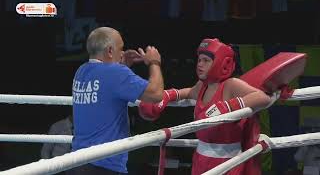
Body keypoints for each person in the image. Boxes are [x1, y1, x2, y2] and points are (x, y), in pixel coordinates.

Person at [138, 38, 273, 175]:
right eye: (199, 60)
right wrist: (168, 95)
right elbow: (189, 92)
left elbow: (263, 97)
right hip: (200, 158)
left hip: (228, 161)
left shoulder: (230, 85)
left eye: (206, 61)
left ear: (222, 63)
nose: (200, 65)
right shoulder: (203, 85)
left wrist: (227, 106)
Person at [69, 26, 164, 175]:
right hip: (105, 165)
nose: (123, 53)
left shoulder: (81, 71)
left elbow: (107, 90)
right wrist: (154, 63)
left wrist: (122, 65)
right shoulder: (115, 73)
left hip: (77, 162)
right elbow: (156, 94)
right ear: (110, 51)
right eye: (121, 48)